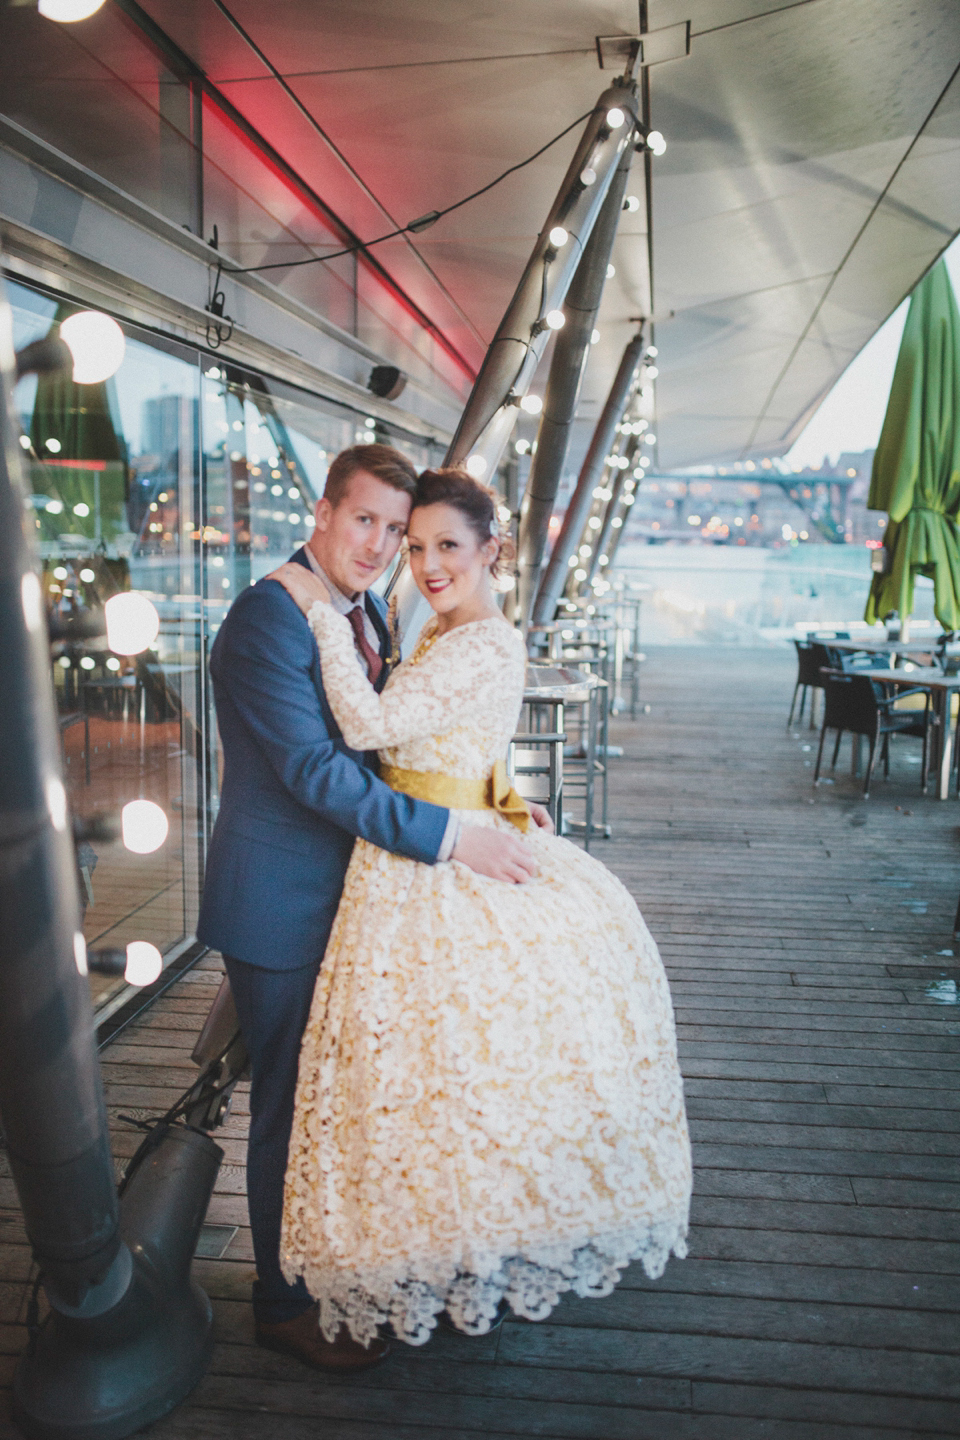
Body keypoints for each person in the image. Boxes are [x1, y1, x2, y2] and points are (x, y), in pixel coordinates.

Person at [269, 467, 692, 1350]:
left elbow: (367, 729)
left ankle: (460, 1253)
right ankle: (443, 1252)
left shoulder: (475, 639)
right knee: (431, 1076)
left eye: (445, 546)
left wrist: (319, 614)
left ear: (492, 549)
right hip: (427, 841)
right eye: (414, 546)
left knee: (438, 1073)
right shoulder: (452, 628)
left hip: (424, 866)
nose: (424, 563)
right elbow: (467, 740)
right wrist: (501, 795)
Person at [197, 446, 549, 1373]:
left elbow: (414, 740)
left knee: (341, 1102)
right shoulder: (271, 617)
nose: (384, 545)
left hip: (353, 900)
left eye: (398, 530)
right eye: (367, 521)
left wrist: (495, 800)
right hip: (279, 900)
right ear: (322, 512)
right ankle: (280, 1303)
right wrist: (448, 836)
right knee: (288, 1105)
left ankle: (340, 1269)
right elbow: (316, 770)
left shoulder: (365, 612)